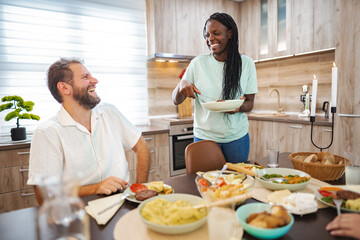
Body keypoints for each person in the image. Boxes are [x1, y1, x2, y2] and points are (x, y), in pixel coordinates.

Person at [27, 58, 150, 203]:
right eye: (85, 76)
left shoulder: (110, 112)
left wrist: (140, 191)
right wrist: (95, 188)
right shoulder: (47, 133)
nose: (94, 80)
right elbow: (44, 195)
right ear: (64, 88)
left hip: (123, 202)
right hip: (80, 212)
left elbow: (142, 147)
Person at [172, 12, 258, 163]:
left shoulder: (247, 64)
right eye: (207, 35)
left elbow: (249, 103)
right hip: (204, 137)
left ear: (229, 33)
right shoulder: (197, 63)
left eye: (216, 33)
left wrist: (238, 108)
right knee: (206, 183)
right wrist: (181, 85)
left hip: (237, 137)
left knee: (236, 183)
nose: (210, 38)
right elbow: (175, 100)